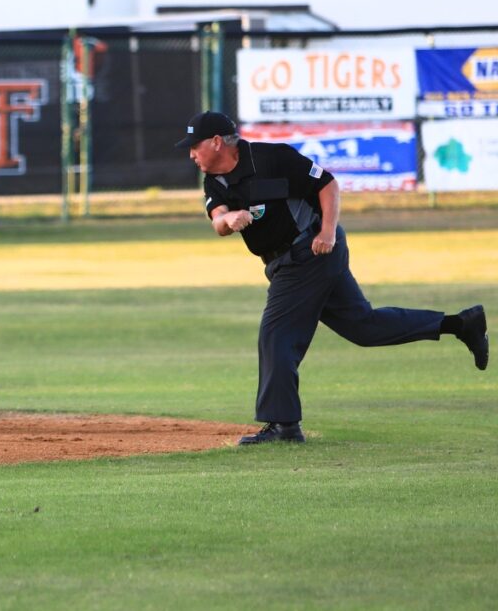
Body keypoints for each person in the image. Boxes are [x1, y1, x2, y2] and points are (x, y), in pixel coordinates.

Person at [177, 111, 489, 445]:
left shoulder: (273, 158)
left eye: (195, 146)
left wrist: (327, 232)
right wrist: (230, 219)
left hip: (311, 252)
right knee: (363, 326)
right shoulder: (214, 181)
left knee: (276, 334)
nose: (191, 154)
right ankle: (461, 324)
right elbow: (218, 221)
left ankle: (284, 426)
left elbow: (327, 185)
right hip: (284, 263)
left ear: (216, 142)